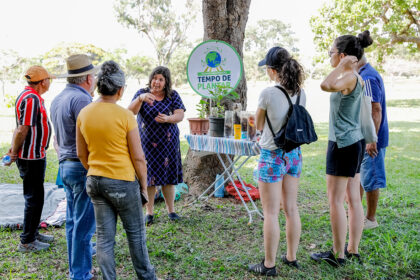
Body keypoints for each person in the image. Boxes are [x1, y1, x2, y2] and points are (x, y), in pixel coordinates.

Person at [76, 61, 157, 280]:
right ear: (120, 90)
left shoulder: (84, 113)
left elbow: (82, 154)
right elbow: (139, 158)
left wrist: (96, 170)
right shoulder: (125, 116)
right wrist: (143, 186)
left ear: (99, 86)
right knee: (136, 236)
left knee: (104, 238)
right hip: (122, 182)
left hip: (94, 181)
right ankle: (147, 277)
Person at [310, 31, 373, 267]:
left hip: (342, 144)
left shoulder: (348, 76)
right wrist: (345, 64)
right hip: (354, 142)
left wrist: (342, 65)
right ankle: (352, 249)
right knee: (353, 198)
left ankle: (338, 255)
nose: (329, 58)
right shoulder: (356, 77)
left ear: (343, 55)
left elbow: (325, 84)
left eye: (331, 53)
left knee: (336, 201)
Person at [248, 47, 306, 277]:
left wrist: (255, 118)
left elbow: (259, 126)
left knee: (271, 213)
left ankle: (269, 265)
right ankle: (291, 257)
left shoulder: (268, 94)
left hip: (272, 156)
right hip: (294, 154)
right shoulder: (302, 93)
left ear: (273, 71)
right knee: (291, 208)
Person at [50, 54, 98, 280]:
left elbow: (57, 139)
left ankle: (76, 269)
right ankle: (80, 274)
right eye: (95, 76)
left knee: (73, 222)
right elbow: (90, 137)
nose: (96, 80)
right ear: (88, 78)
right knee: (84, 226)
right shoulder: (82, 100)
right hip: (80, 166)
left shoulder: (58, 98)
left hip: (65, 165)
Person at [4, 65, 55, 252]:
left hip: (35, 155)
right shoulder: (32, 98)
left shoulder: (29, 96)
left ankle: (33, 233)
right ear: (42, 82)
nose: (50, 82)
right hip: (31, 157)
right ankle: (27, 241)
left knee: (37, 197)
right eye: (49, 79)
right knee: (34, 198)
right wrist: (13, 152)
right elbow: (22, 129)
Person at [128, 66, 185, 226]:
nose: (157, 82)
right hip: (147, 144)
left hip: (168, 144)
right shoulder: (142, 93)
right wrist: (140, 99)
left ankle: (171, 211)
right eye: (155, 78)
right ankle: (149, 212)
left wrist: (168, 118)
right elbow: (130, 112)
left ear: (166, 82)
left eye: (161, 79)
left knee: (168, 178)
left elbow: (180, 115)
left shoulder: (172, 95)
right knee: (149, 178)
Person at [357, 47, 389, 230]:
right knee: (362, 175)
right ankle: (358, 211)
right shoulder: (365, 73)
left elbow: (376, 109)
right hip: (364, 136)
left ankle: (370, 219)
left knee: (371, 178)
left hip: (373, 138)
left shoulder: (368, 77)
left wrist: (371, 139)